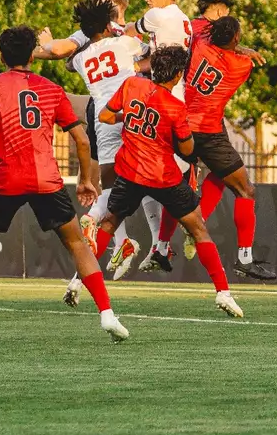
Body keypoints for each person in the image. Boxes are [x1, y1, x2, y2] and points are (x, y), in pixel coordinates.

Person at [0, 24, 127, 345]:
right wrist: (85, 179)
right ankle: (107, 314)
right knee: (77, 244)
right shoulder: (52, 89)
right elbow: (82, 140)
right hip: (47, 179)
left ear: (2, 57)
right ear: (33, 55)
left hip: (5, 179)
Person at [94, 45, 244, 318]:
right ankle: (223, 292)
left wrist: (129, 117)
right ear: (177, 75)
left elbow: (104, 116)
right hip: (163, 176)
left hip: (130, 172)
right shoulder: (175, 107)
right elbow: (187, 150)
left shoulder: (132, 85)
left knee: (109, 223)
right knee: (198, 230)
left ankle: (78, 280)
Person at [62, 0, 148, 305]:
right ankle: (155, 243)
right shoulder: (124, 43)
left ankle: (101, 225)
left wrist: (81, 40)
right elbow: (151, 49)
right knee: (149, 185)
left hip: (104, 120)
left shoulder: (81, 58)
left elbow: (68, 62)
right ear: (109, 24)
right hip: (134, 113)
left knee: (111, 188)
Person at [184, 15, 275, 280]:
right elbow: (235, 52)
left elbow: (198, 28)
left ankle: (165, 244)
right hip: (209, 133)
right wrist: (243, 49)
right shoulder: (242, 65)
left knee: (216, 175)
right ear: (236, 38)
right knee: (245, 190)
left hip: (182, 128)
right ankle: (244, 259)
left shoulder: (200, 44)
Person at [132, 0, 195, 272]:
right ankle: (162, 245)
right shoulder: (181, 18)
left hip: (164, 99)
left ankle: (187, 221)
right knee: (166, 176)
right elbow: (156, 55)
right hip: (176, 96)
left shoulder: (159, 15)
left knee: (145, 175)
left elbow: (129, 30)